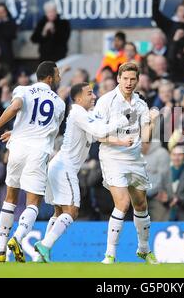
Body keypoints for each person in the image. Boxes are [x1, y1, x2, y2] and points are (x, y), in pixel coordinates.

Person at [33, 82, 129, 262]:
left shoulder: (83, 115)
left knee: (59, 212)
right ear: (78, 98)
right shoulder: (77, 112)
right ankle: (45, 245)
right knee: (72, 211)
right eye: (90, 93)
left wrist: (121, 142)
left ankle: (41, 255)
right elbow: (99, 129)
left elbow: (98, 136)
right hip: (65, 167)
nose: (94, 96)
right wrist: (120, 121)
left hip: (58, 165)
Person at [0, 61, 66, 263]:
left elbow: (17, 107)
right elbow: (49, 132)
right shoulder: (59, 102)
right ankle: (17, 237)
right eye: (57, 74)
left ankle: (1, 250)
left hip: (17, 147)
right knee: (33, 202)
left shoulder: (23, 89)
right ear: (49, 77)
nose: (59, 78)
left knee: (10, 196)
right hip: (38, 152)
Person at [93, 62, 159, 264]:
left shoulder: (140, 104)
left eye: (133, 79)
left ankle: (144, 249)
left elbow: (146, 139)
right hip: (112, 157)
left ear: (137, 81)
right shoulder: (106, 102)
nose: (129, 83)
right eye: (125, 79)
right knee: (122, 203)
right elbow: (97, 135)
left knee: (141, 204)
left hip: (134, 157)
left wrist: (153, 121)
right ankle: (110, 254)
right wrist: (119, 141)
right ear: (118, 79)